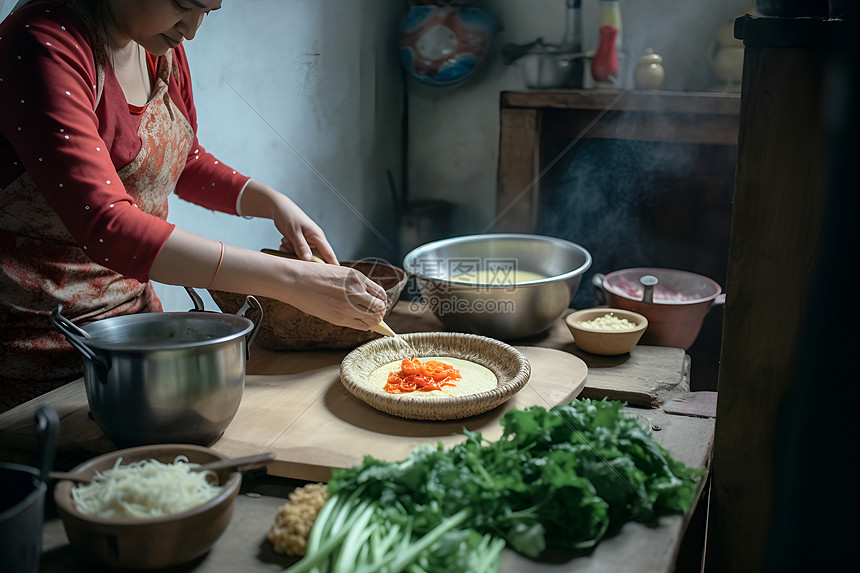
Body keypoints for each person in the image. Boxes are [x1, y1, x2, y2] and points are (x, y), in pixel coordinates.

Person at [0, 0, 388, 412]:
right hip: (34, 347)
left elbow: (184, 160)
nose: (192, 29)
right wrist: (293, 281)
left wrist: (272, 202)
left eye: (209, 11)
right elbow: (107, 225)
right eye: (184, 5)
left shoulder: (158, 45)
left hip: (129, 332)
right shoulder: (42, 41)